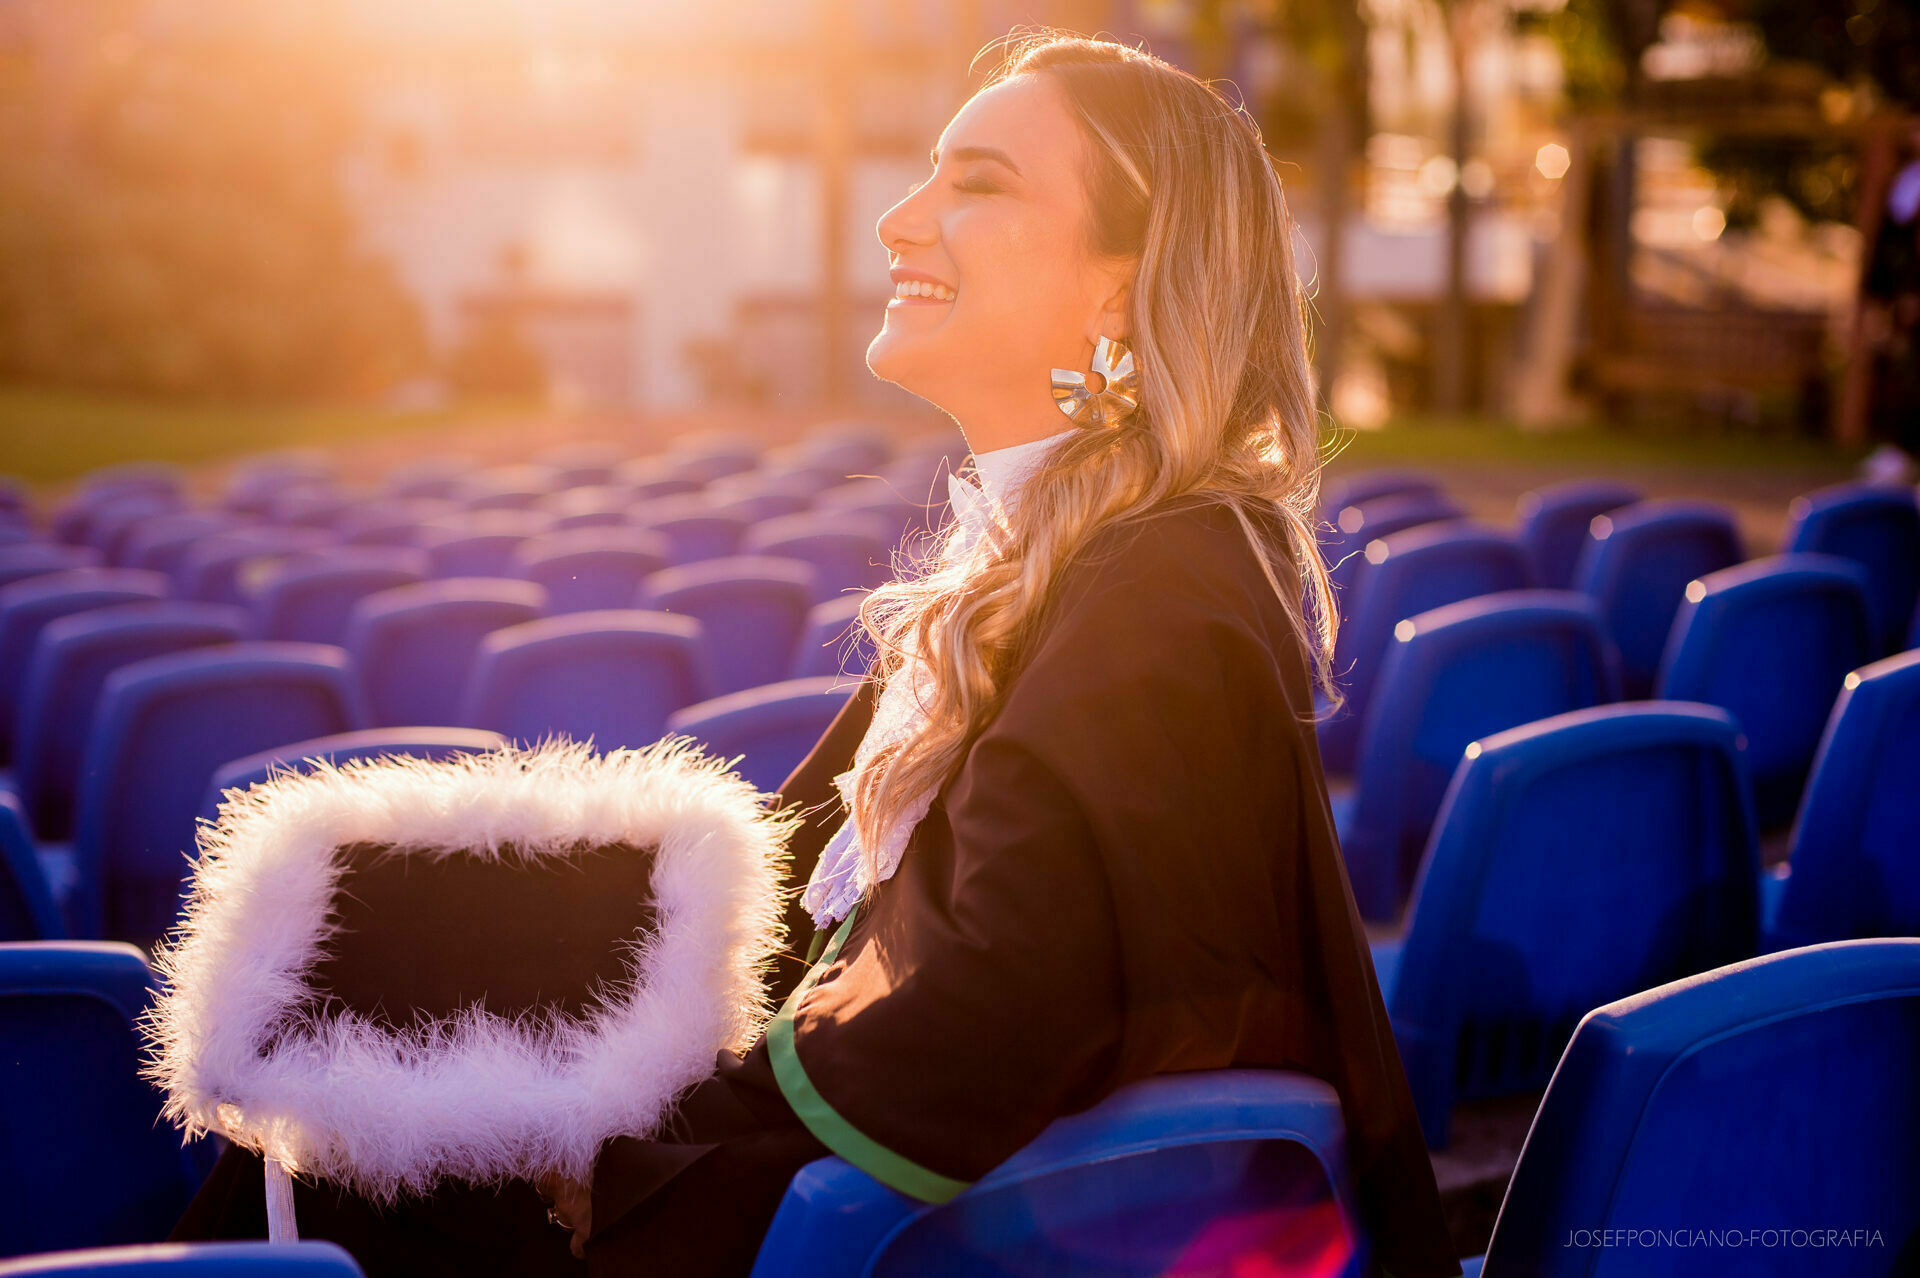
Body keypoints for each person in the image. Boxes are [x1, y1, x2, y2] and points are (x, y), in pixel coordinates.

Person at [177, 31, 1460, 1278]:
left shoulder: (1161, 583)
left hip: (910, 1229)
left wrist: (620, 1148)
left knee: (333, 1177)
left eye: (978, 184)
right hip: (872, 1182)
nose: (901, 219)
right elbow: (793, 879)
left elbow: (990, 1010)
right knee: (358, 1023)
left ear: (1125, 280)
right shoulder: (1060, 556)